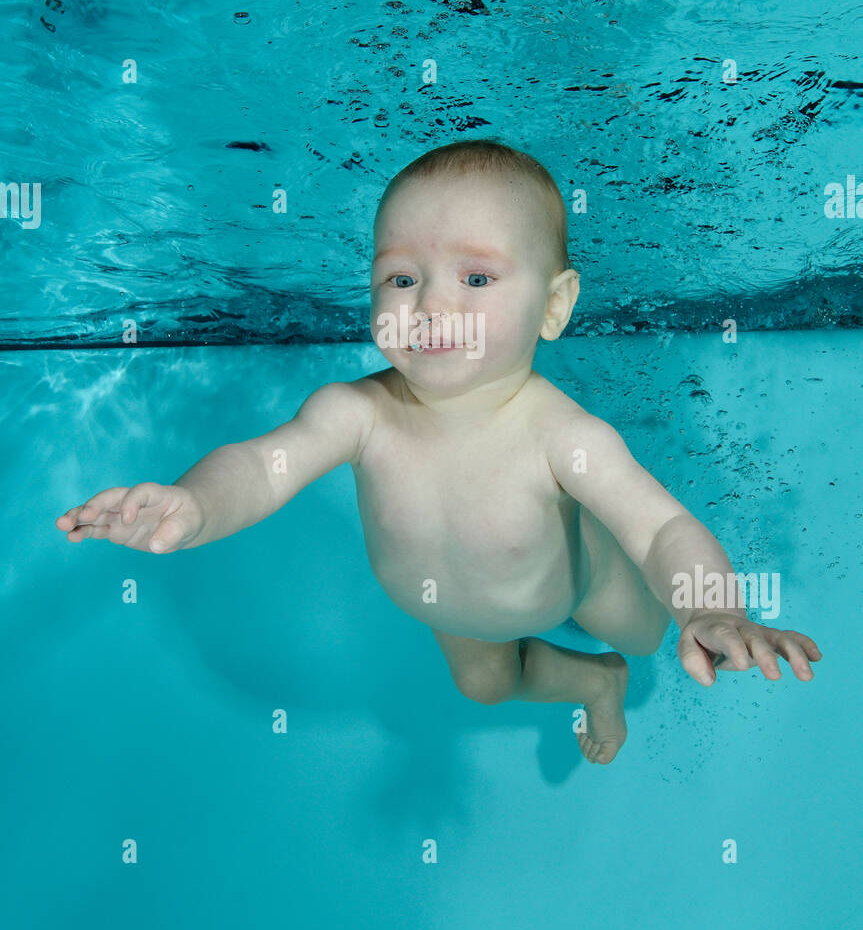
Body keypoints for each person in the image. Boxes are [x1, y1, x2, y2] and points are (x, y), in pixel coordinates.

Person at [56, 138, 821, 764]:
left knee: (649, 631)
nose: (431, 306)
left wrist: (711, 606)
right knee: (485, 688)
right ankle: (596, 683)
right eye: (400, 277)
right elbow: (260, 466)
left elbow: (657, 529)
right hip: (444, 608)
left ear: (552, 306)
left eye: (477, 276)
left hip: (576, 581)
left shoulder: (564, 437)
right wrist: (193, 505)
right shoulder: (357, 412)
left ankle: (619, 642)